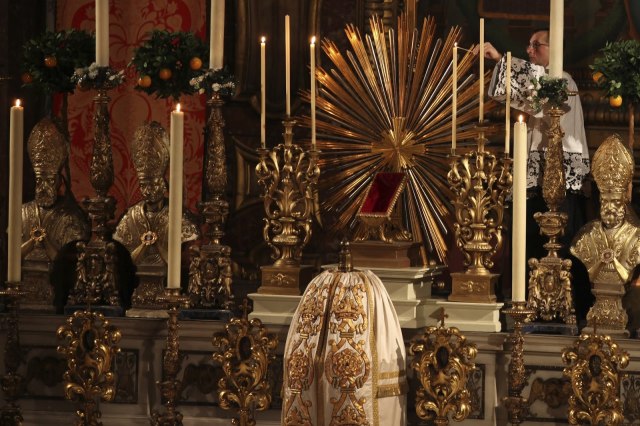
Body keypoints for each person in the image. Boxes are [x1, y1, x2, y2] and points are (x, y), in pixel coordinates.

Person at [481, 29, 591, 320]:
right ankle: (532, 305)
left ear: (554, 49)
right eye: (528, 45)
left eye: (536, 45)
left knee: (562, 246)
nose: (529, 50)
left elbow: (537, 92)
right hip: (535, 181)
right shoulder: (546, 82)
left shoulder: (562, 82)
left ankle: (564, 309)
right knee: (529, 244)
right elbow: (524, 92)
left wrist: (499, 59)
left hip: (559, 184)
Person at [113, 122, 199, 307]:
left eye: (153, 184)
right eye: (144, 185)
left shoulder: (180, 217)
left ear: (163, 184)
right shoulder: (129, 218)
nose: (148, 191)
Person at [570, 134, 640, 334]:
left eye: (615, 202)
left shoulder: (637, 238)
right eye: (605, 202)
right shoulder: (585, 237)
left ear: (624, 202)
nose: (609, 208)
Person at [21, 118, 90, 309]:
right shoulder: (22, 213)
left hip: (57, 293)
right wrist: (33, 241)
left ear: (59, 181)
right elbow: (13, 255)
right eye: (39, 180)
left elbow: (68, 261)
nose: (44, 186)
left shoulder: (71, 218)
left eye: (49, 180)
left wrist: (44, 242)